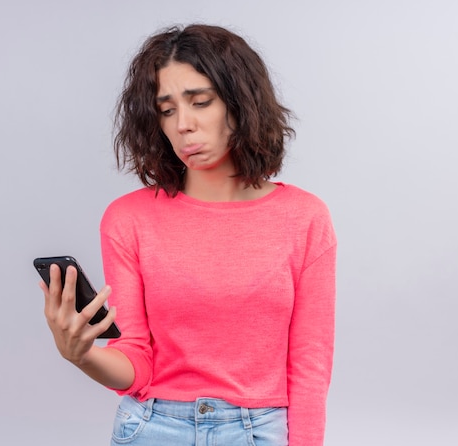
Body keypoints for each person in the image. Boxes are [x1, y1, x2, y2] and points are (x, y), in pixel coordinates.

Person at [41, 23, 337, 446]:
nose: (183, 125)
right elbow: (135, 363)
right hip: (153, 427)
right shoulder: (128, 219)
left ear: (240, 103)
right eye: (166, 110)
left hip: (263, 431)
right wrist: (81, 354)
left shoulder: (305, 218)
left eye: (200, 102)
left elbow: (310, 366)